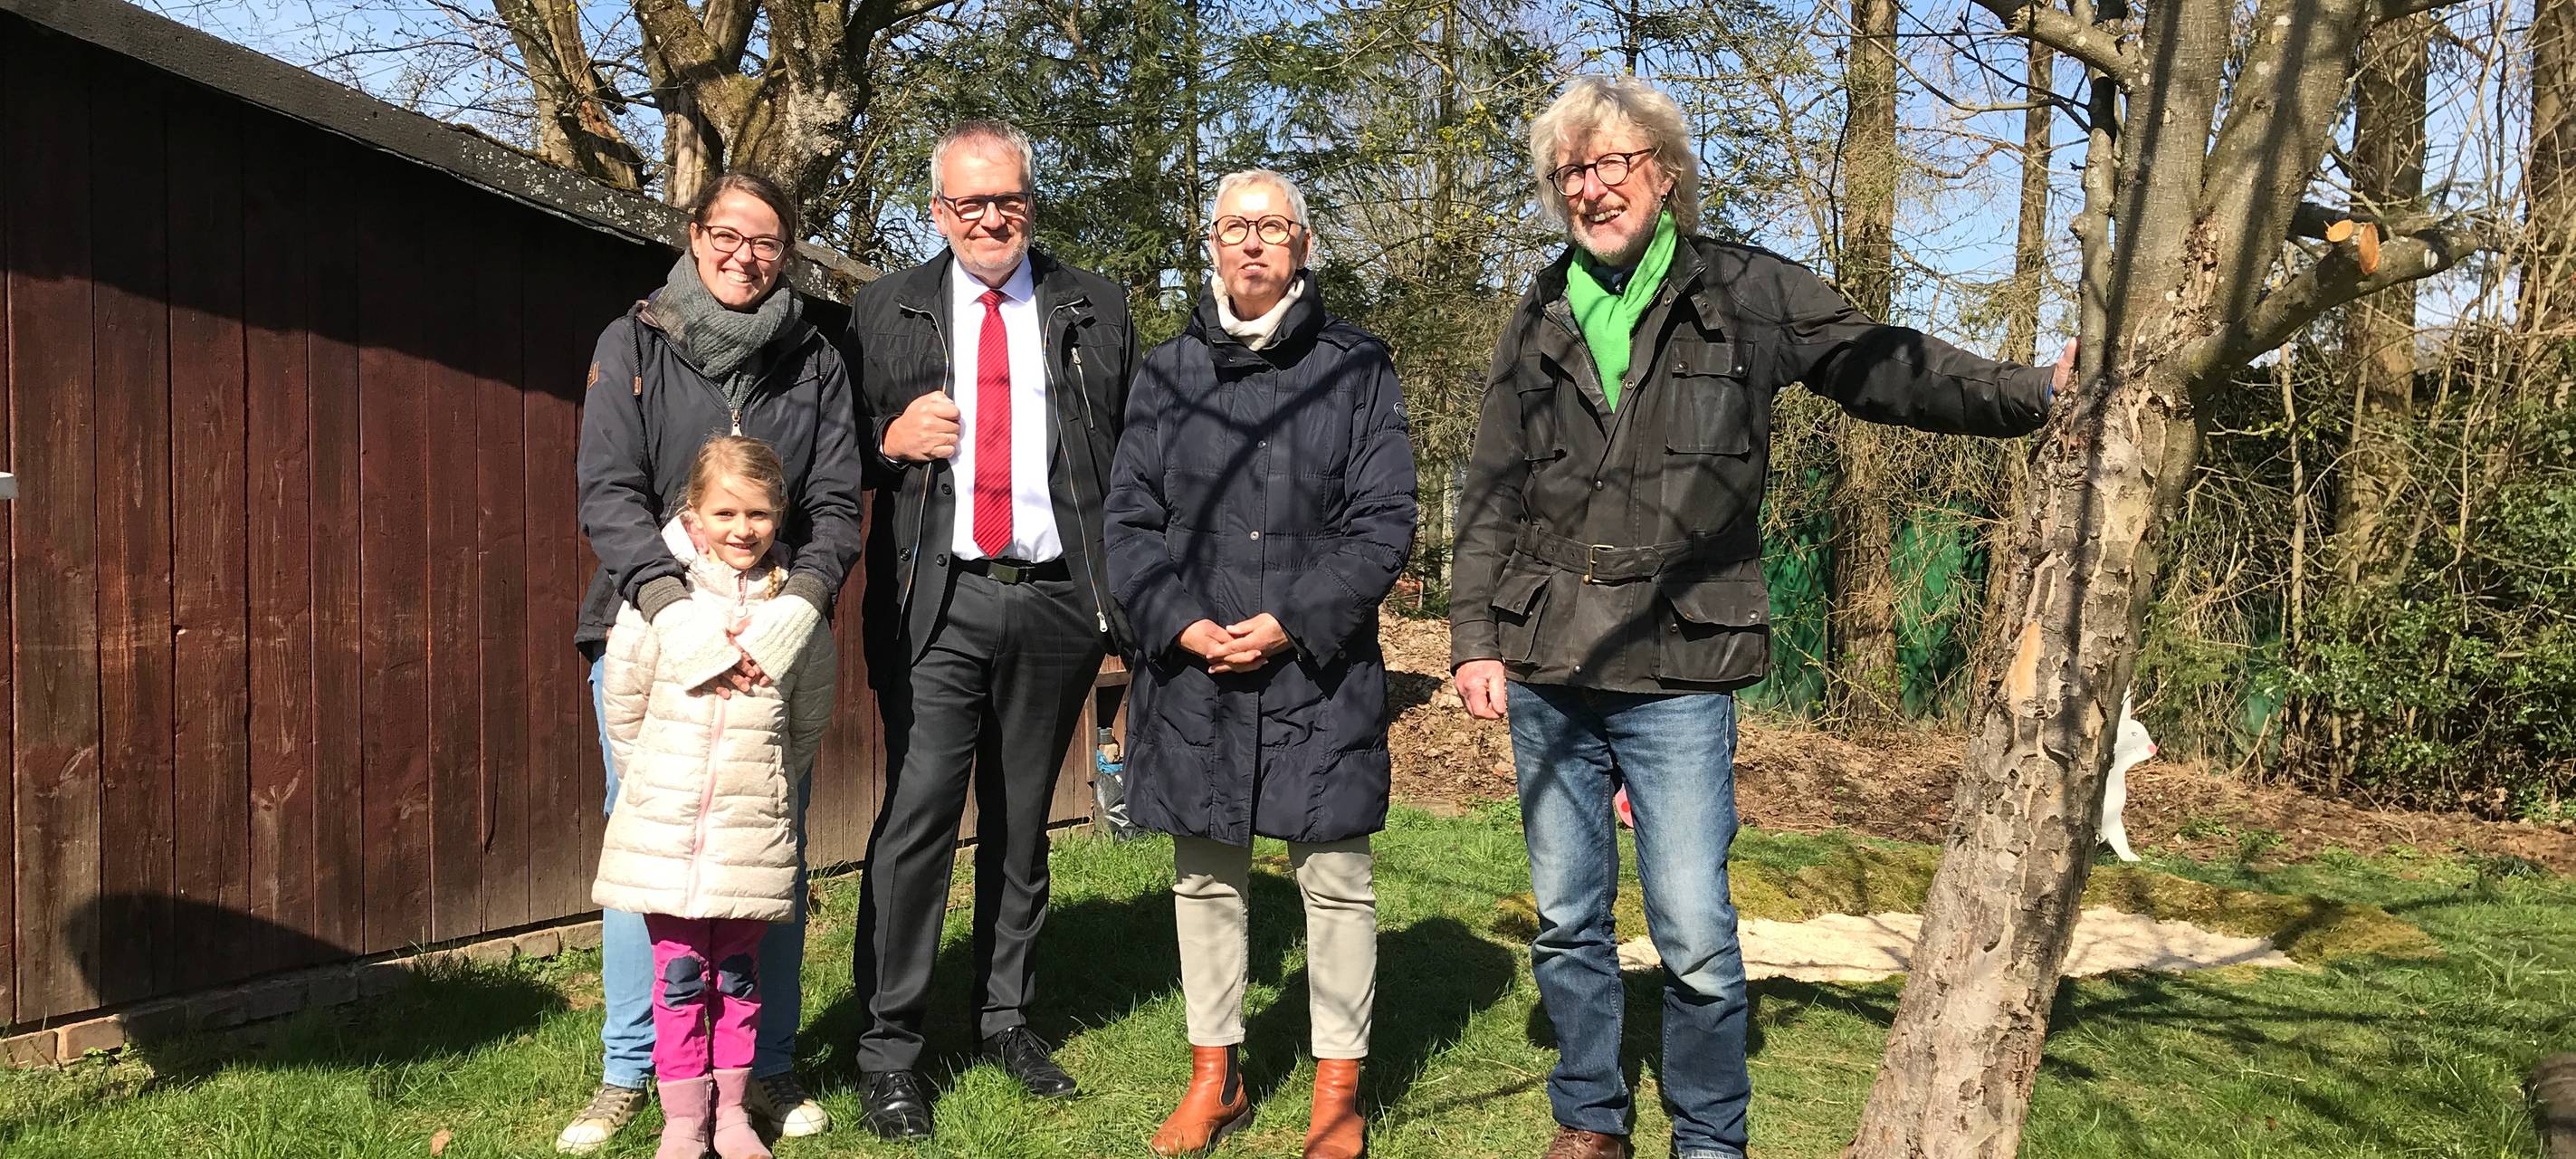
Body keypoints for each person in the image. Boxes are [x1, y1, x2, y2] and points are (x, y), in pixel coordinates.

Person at [1447, 77, 2071, 1159]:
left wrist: (2030, 391)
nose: (1593, 189)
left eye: (1612, 163)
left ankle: (1708, 1138)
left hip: (1679, 658)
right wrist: (1472, 638)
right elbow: (1492, 486)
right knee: (1565, 916)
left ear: (1664, 171)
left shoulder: (1742, 291)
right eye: (1571, 172)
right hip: (1546, 658)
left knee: (1691, 929)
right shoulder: (1537, 310)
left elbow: (1885, 365)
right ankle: (1587, 1116)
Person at [1106, 169, 1418, 1159]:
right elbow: (1129, 521)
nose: (1251, 244)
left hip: (1315, 671)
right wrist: (1180, 622)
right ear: (1209, 243)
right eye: (1234, 227)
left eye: (1270, 228)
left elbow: (1382, 522)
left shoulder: (1357, 367)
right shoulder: (1164, 371)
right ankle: (1216, 1074)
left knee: (1332, 874)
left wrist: (1290, 620)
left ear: (1303, 244)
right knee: (1204, 876)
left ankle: (1336, 1086)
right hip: (1194, 670)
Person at [843, 120, 1137, 1140]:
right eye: (968, 203)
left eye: (1005, 198)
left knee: (1021, 828)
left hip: (1055, 595)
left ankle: (1006, 1019)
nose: (989, 218)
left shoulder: (1094, 306)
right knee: (917, 822)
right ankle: (888, 1048)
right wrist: (887, 439)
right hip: (942, 598)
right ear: (938, 212)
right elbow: (834, 450)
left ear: (1029, 201)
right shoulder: (887, 307)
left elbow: (1133, 457)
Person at [567, 171, 863, 1153]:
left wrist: (801, 608)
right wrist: (669, 607)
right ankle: (629, 1067)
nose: (745, 254)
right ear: (695, 238)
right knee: (648, 858)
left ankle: (763, 1065)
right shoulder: (635, 342)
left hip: (773, 639)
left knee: (763, 851)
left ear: (787, 253)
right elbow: (607, 490)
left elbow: (836, 500)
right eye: (727, 234)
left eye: (767, 240)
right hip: (655, 635)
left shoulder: (813, 356)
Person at [593, 436, 835, 1159]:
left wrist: (766, 785)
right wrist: (653, 786)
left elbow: (807, 720)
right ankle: (682, 1118)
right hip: (666, 832)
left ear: (779, 516)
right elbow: (626, 707)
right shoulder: (658, 605)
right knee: (677, 979)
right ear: (693, 517)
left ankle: (731, 1112)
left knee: (736, 976)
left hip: (745, 835)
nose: (742, 528)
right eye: (724, 511)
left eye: (758, 514)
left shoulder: (794, 612)